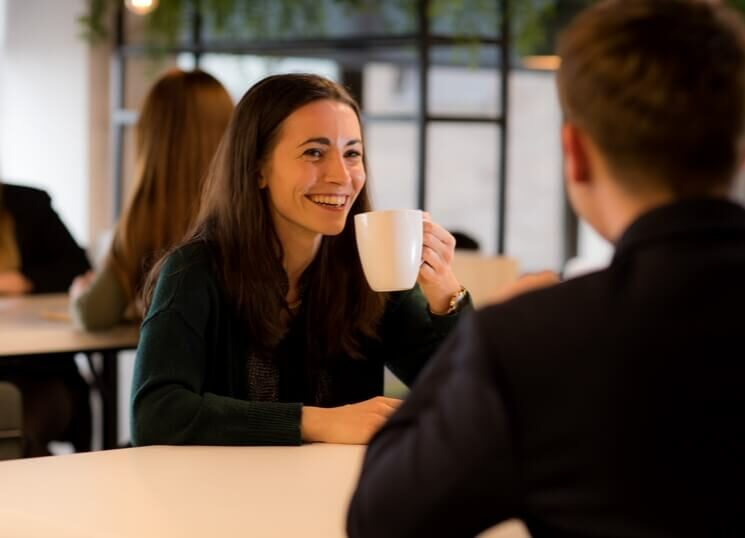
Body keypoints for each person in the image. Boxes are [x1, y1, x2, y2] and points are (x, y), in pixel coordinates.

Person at [348, 1, 745, 537]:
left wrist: (480, 341)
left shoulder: (534, 341)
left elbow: (382, 518)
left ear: (575, 152)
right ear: (736, 150)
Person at [129, 73, 470, 447]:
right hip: (213, 496)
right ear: (257, 167)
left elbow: (468, 396)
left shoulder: (367, 270)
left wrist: (446, 298)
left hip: (329, 495)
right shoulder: (194, 271)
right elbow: (156, 413)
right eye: (314, 152)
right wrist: (313, 422)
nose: (341, 176)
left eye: (352, 153)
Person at [69, 69, 234, 330]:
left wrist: (79, 292)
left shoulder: (145, 217)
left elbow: (95, 314)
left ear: (153, 136)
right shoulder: (252, 207)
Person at [0, 181, 92, 456]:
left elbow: (80, 268)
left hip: (39, 374)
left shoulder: (29, 205)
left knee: (16, 436)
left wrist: (25, 280)